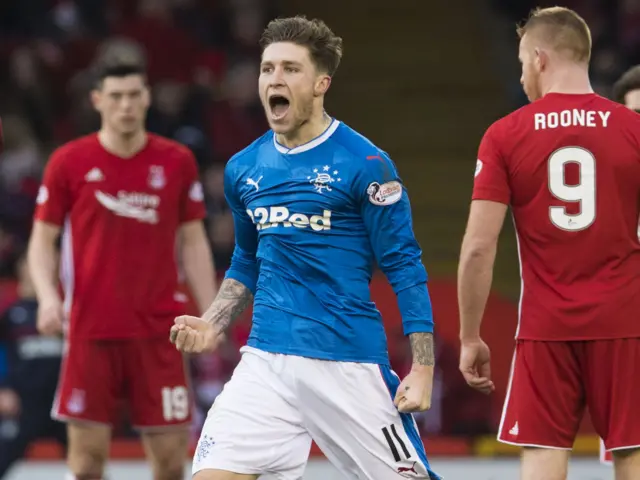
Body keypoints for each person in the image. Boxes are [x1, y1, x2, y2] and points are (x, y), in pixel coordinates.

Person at [170, 16, 440, 480]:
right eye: (267, 68)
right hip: (265, 364)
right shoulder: (244, 168)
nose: (275, 79)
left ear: (321, 83)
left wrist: (423, 366)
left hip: (347, 364)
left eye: (291, 69)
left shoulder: (366, 164)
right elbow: (247, 259)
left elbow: (403, 265)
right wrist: (214, 324)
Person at [457, 6, 640, 480]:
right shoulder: (634, 130)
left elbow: (479, 246)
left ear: (539, 59)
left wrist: (471, 335)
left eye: (521, 64)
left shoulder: (505, 136)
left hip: (546, 326)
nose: (521, 77)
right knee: (632, 451)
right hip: (626, 320)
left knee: (541, 452)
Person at [27, 60, 216, 480]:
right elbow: (42, 239)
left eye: (134, 95)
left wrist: (210, 313)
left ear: (147, 97)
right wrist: (47, 297)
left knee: (170, 463)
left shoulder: (176, 161)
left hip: (160, 330)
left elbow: (194, 240)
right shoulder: (68, 161)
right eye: (116, 96)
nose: (126, 105)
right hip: (90, 331)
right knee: (86, 463)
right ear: (97, 100)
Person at [0, 252, 66, 478]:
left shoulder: (66, 313)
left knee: (87, 461)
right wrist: (3, 388)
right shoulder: (11, 314)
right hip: (24, 404)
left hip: (62, 403)